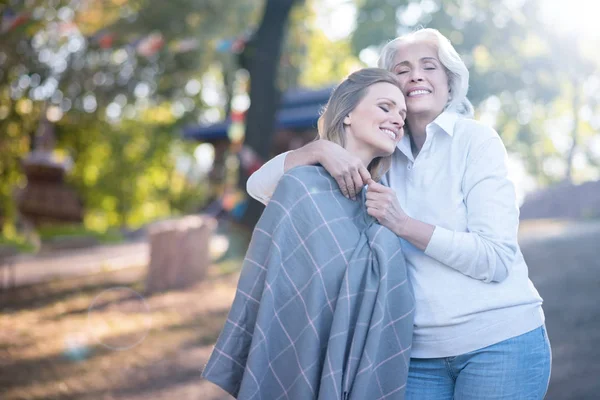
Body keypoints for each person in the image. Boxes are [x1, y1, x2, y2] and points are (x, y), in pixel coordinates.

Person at [246, 28, 551, 400]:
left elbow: (496, 258)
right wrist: (319, 151)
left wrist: (403, 224)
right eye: (403, 69)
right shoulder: (381, 155)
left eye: (429, 66)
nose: (416, 75)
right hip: (417, 357)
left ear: (449, 84)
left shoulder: (476, 141)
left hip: (500, 343)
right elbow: (260, 188)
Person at [202, 68, 416, 399]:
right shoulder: (301, 187)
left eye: (402, 114)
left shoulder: (387, 199)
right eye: (386, 107)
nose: (398, 119)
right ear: (346, 114)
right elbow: (281, 301)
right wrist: (316, 151)